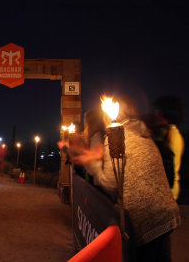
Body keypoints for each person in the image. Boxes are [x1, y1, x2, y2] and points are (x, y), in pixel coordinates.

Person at [68, 95, 180, 262]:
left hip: (144, 220)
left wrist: (92, 164)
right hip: (166, 215)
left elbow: (109, 183)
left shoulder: (116, 141)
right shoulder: (143, 134)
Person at [152, 96, 185, 201]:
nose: (155, 113)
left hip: (166, 194)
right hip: (170, 191)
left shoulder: (166, 135)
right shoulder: (174, 133)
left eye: (158, 110)